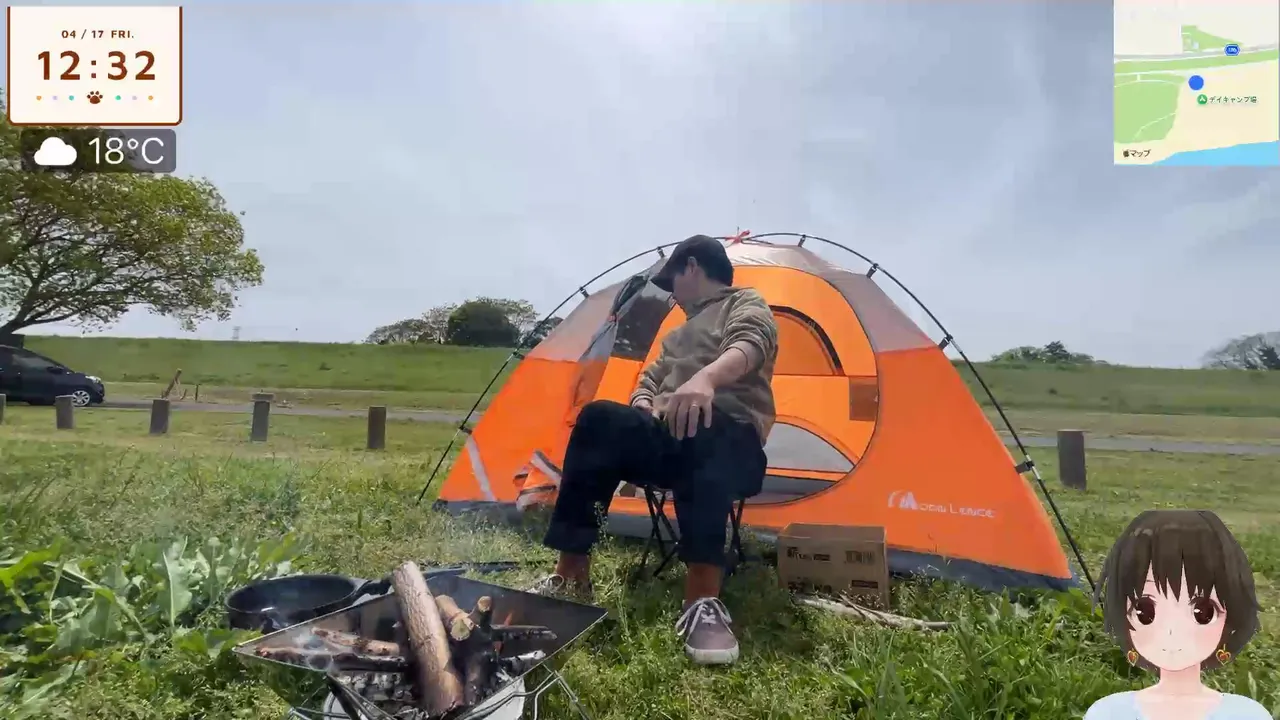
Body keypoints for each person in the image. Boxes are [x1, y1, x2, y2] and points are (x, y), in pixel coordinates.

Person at [528, 234, 777, 666]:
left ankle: (702, 600)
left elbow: (751, 343)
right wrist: (643, 404)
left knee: (703, 422)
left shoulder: (744, 303)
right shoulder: (675, 336)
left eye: (672, 281)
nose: (672, 294)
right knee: (598, 418)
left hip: (731, 446)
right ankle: (571, 576)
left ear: (691, 267)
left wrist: (706, 380)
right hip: (669, 444)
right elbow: (648, 381)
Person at [1085, 509, 1269, 720]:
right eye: (1144, 612)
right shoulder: (1109, 713)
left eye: (1203, 613)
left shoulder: (1247, 715)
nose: (1171, 633)